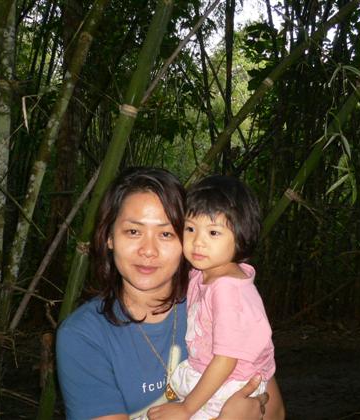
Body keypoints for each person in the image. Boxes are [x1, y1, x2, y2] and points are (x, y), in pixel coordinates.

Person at [56, 167, 284, 420]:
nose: (148, 250)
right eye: (133, 231)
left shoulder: (213, 299)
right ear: (109, 237)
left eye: (165, 234)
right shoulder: (83, 335)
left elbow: (274, 410)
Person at [148, 175, 275, 420]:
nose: (198, 242)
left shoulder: (228, 290)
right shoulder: (204, 273)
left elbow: (226, 360)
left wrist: (186, 408)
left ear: (241, 235)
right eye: (190, 229)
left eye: (214, 232)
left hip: (230, 383)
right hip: (209, 375)